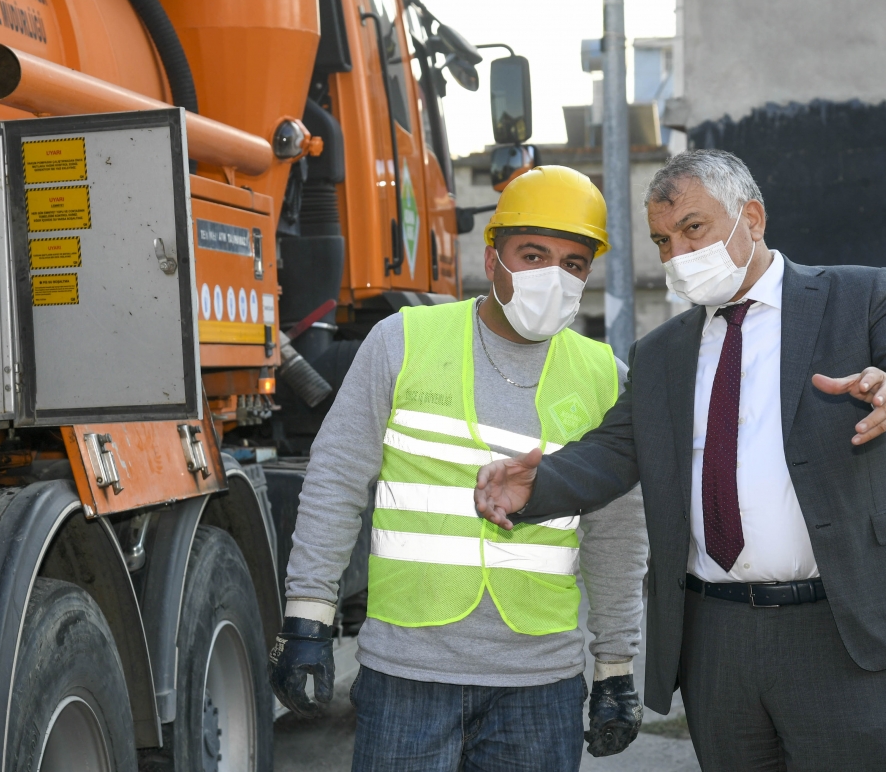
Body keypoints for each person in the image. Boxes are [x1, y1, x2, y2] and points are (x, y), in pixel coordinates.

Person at [474, 150, 886, 772]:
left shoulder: (856, 294)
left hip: (838, 627)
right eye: (662, 240)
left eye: (693, 228)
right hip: (715, 637)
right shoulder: (661, 352)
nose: (678, 253)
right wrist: (538, 484)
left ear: (752, 218)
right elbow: (616, 448)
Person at [268, 166, 648, 771]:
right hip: (407, 676)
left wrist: (615, 665)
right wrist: (307, 616)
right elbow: (336, 478)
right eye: (533, 255)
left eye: (573, 264)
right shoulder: (403, 341)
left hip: (539, 685)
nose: (553, 277)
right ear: (492, 256)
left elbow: (619, 533)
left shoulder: (606, 377)